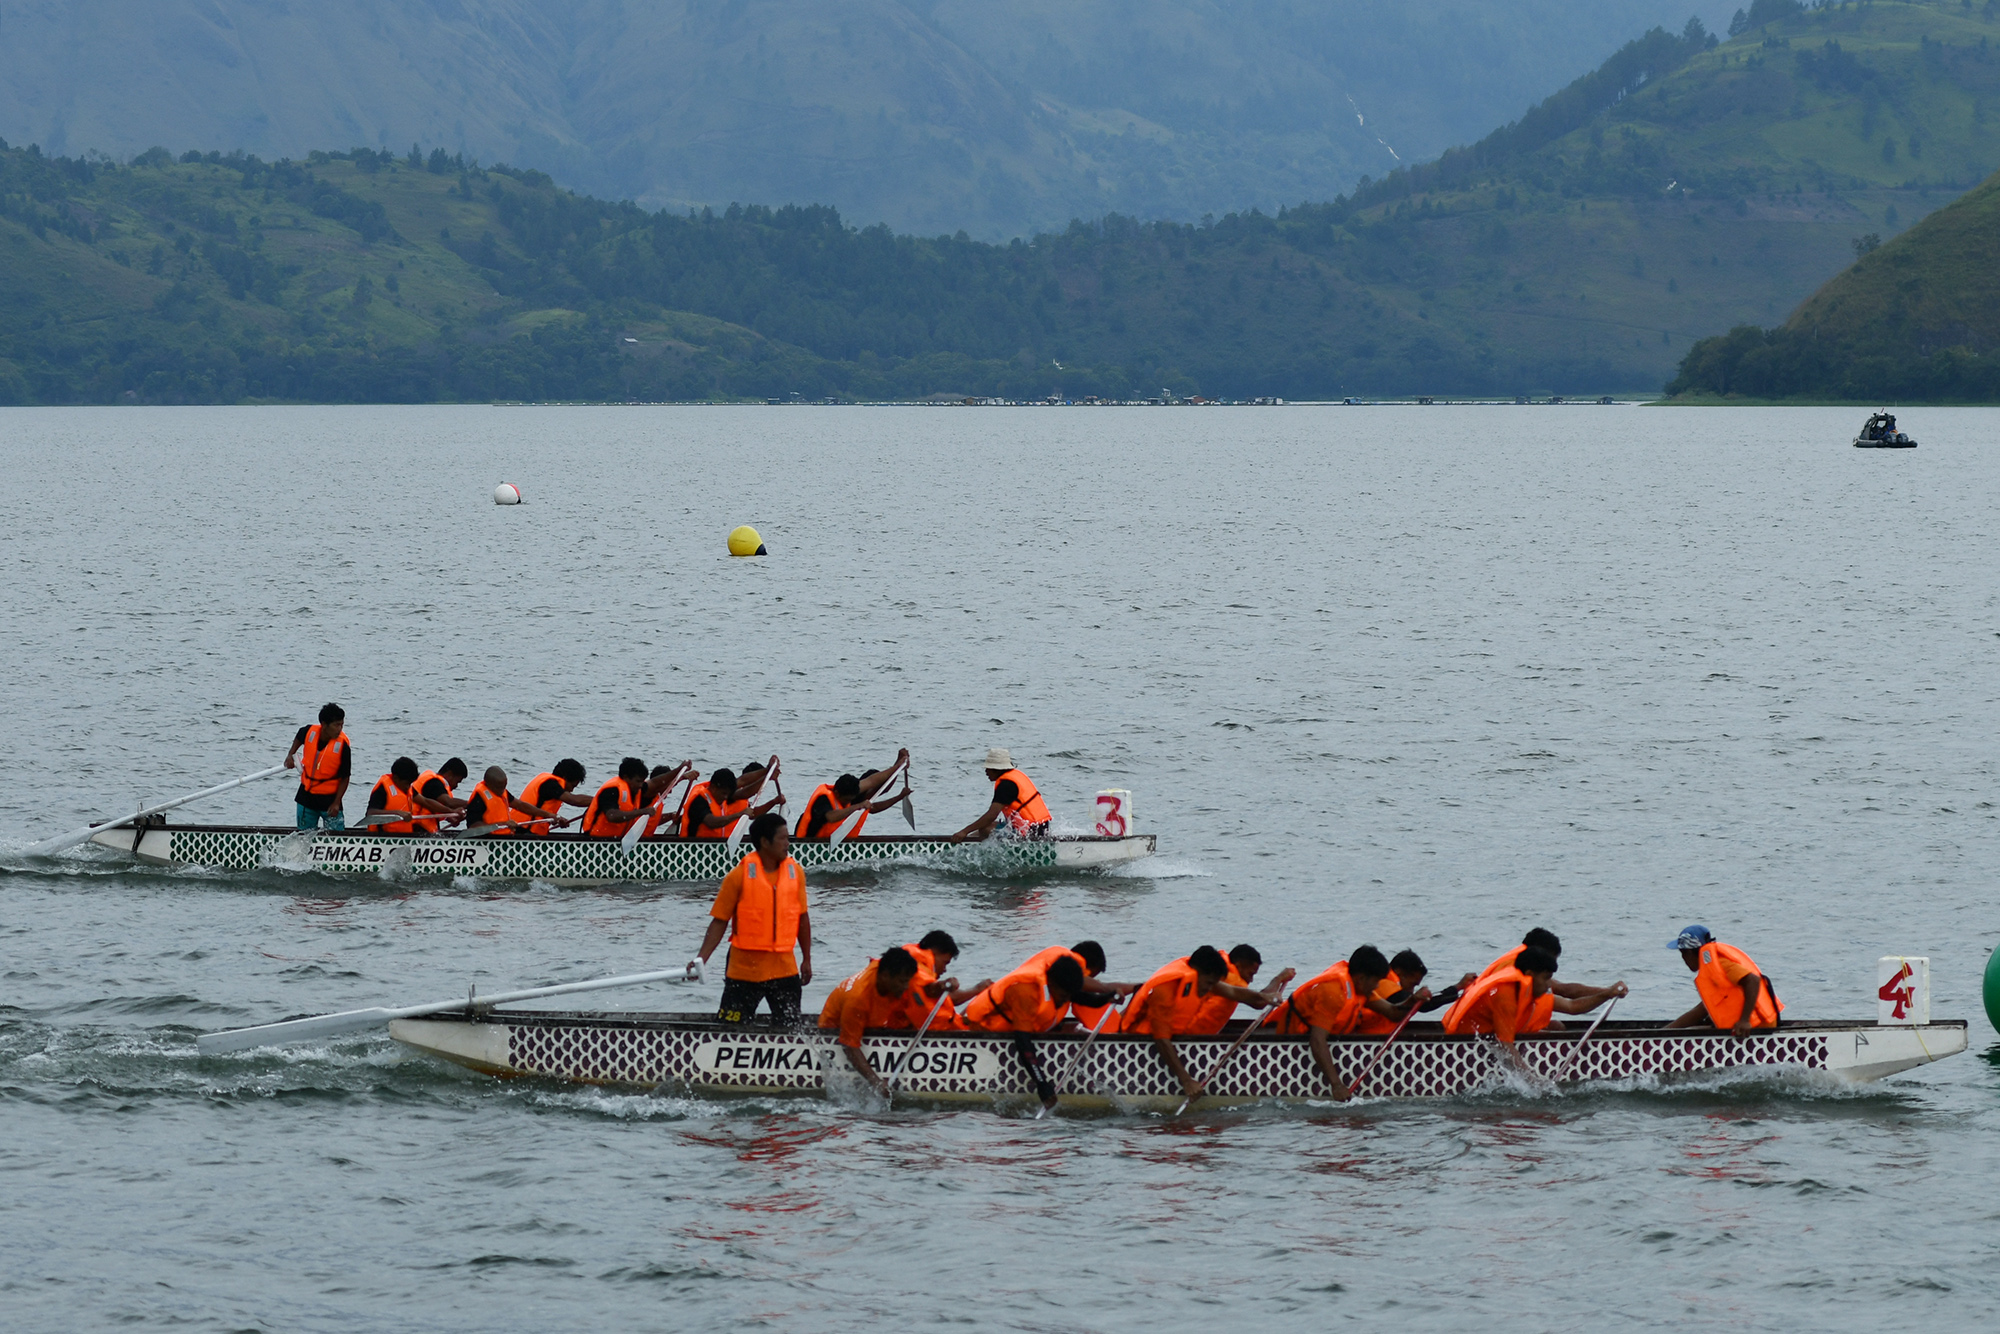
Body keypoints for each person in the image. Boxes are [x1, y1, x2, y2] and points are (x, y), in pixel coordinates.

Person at [1130, 946, 1293, 1102]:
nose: (1209, 990)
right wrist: (1187, 1081)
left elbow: (1233, 992)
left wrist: (1266, 998)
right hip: (1138, 1046)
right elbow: (1161, 1039)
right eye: (1208, 984)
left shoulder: (1201, 976)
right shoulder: (1166, 989)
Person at [695, 813, 812, 1027]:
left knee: (791, 1027)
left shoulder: (796, 873)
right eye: (783, 839)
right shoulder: (738, 876)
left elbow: (802, 919)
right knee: (731, 1028)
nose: (788, 843)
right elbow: (719, 921)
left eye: (788, 838)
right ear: (765, 842)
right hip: (745, 971)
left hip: (785, 969)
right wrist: (702, 958)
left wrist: (806, 958)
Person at [1264, 945, 1417, 1099]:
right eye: (1376, 981)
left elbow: (1392, 1012)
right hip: (1287, 1050)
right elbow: (1317, 1040)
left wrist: (1414, 1000)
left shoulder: (1360, 988)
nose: (1377, 986)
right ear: (1362, 978)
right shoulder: (1333, 991)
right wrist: (1336, 1085)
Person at [818, 947, 925, 1097]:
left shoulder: (884, 971)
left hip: (869, 1019)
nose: (906, 986)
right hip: (834, 1029)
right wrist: (876, 1082)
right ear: (886, 976)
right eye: (902, 982)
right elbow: (848, 1045)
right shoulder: (858, 998)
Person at [1664, 925, 1783, 1038]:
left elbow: (1753, 980)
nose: (1683, 958)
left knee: (1692, 1032)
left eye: (1683, 953)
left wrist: (1744, 1021)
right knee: (1694, 1028)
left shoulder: (1722, 964)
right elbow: (1701, 1010)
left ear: (1690, 952)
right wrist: (1663, 1032)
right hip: (1746, 1026)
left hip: (1756, 1027)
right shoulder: (1711, 970)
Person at [1442, 946, 1559, 1060]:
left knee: (1557, 1026)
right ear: (1529, 974)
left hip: (1483, 1038)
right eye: (1546, 978)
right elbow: (1505, 1047)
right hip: (1462, 1051)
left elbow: (1571, 1007)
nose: (1549, 985)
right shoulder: (1505, 993)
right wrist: (1532, 1079)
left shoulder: (1521, 988)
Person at [795, 750, 913, 839]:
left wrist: (897, 767)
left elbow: (874, 784)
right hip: (808, 842)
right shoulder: (824, 798)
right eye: (846, 800)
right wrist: (857, 806)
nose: (848, 802)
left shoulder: (854, 791)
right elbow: (831, 817)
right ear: (837, 793)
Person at [1355, 949, 1472, 1034]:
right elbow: (1424, 1005)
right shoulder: (1384, 983)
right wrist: (1457, 987)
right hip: (1366, 1042)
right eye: (1412, 984)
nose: (1412, 991)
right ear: (1399, 973)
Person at [950, 748, 1052, 842]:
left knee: (985, 829)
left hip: (1031, 833)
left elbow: (991, 815)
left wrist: (964, 831)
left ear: (996, 769)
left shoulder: (1006, 785)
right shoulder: (1015, 776)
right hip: (1041, 827)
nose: (986, 771)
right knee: (987, 827)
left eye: (988, 768)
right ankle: (966, 844)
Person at [891, 930, 986, 1029]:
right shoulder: (915, 970)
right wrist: (978, 989)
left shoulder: (917, 964)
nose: (944, 969)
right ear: (934, 953)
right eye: (945, 963)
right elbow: (934, 991)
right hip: (917, 1034)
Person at [1190, 943, 1288, 1035]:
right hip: (1193, 1036)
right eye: (1250, 974)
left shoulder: (1219, 970)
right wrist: (1278, 979)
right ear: (1238, 966)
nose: (1251, 980)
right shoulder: (1231, 978)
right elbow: (1259, 1002)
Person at [285, 703, 351, 831]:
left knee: (337, 837)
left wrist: (337, 802)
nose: (340, 729)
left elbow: (345, 777)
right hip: (306, 798)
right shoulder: (309, 732)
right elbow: (299, 735)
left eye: (342, 725)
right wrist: (290, 755)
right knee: (303, 836)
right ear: (324, 724)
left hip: (330, 800)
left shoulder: (343, 746)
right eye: (336, 725)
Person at [682, 759, 784, 839]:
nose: (726, 797)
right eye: (724, 794)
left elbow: (752, 811)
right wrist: (740, 814)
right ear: (713, 787)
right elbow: (711, 822)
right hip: (695, 849)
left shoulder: (723, 794)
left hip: (719, 846)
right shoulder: (700, 800)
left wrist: (768, 773)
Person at [581, 758, 653, 839]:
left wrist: (670, 775)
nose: (641, 785)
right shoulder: (612, 790)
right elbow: (611, 816)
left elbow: (656, 783)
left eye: (642, 782)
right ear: (626, 777)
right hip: (595, 841)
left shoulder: (634, 790)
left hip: (617, 840)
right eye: (638, 781)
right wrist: (643, 812)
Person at [516, 759, 590, 836]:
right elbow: (574, 800)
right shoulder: (550, 784)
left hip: (525, 831)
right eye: (572, 786)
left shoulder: (547, 781)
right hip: (522, 832)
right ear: (565, 777)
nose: (571, 790)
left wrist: (556, 819)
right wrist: (598, 801)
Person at [462, 766, 543, 835]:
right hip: (488, 839)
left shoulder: (502, 792)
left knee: (531, 834)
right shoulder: (479, 798)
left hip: (505, 834)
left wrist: (547, 815)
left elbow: (520, 805)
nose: (502, 791)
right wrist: (503, 824)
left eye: (504, 787)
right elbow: (473, 827)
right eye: (499, 788)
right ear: (488, 784)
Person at [410, 758, 470, 834]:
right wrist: (472, 804)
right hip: (417, 829)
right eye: (457, 782)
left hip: (423, 829)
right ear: (450, 774)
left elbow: (437, 807)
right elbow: (448, 802)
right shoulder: (434, 783)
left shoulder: (436, 785)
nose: (456, 786)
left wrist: (450, 817)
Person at [364, 757, 421, 834]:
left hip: (403, 836)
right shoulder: (382, 790)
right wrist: (397, 813)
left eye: (410, 784)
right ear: (396, 778)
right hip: (382, 838)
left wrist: (443, 809)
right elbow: (371, 813)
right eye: (407, 784)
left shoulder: (406, 787)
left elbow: (425, 801)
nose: (408, 787)